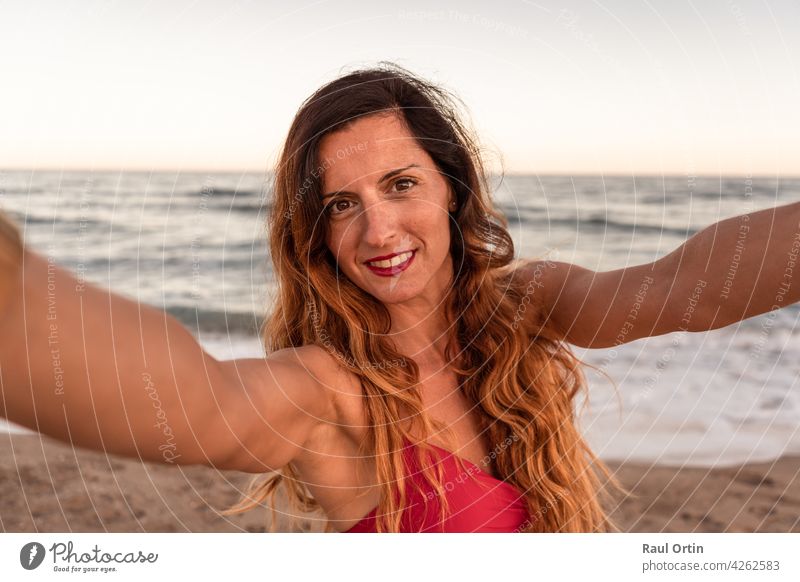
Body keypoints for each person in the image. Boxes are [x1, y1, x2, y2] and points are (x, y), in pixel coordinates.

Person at [1, 63, 798, 533]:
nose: (378, 228)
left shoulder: (523, 310)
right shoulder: (327, 392)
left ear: (454, 190)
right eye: (342, 203)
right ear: (317, 231)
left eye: (401, 184)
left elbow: (682, 288)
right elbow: (195, 399)